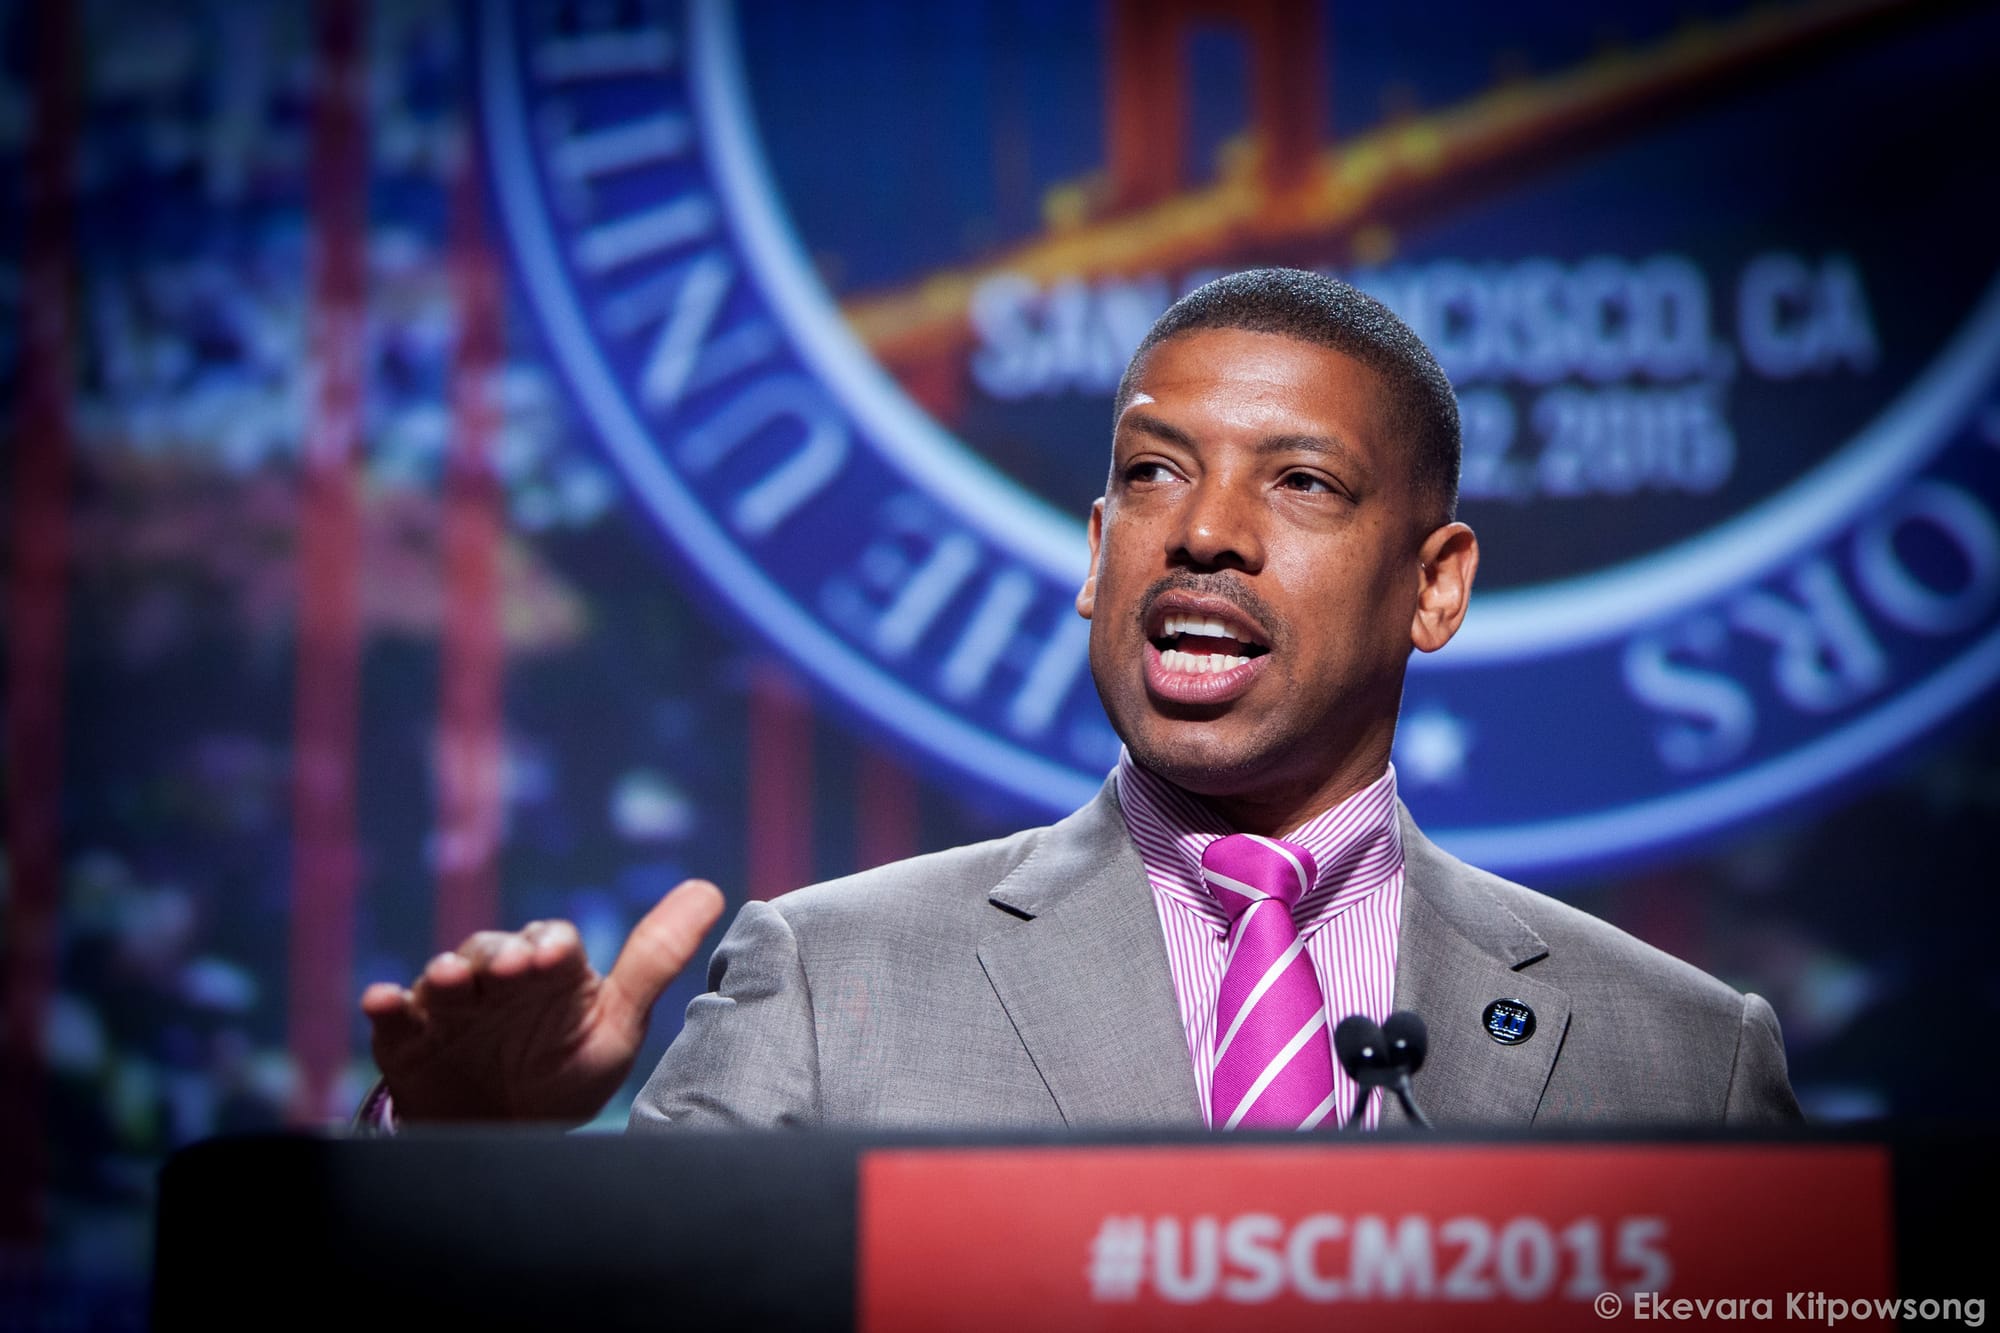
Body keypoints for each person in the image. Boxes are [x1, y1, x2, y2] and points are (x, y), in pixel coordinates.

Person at [360, 269, 1801, 1131]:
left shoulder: (1681, 1053)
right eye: (1153, 471)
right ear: (1096, 549)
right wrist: (470, 1170)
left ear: (1437, 585)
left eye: (1298, 482)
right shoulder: (824, 984)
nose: (1203, 532)